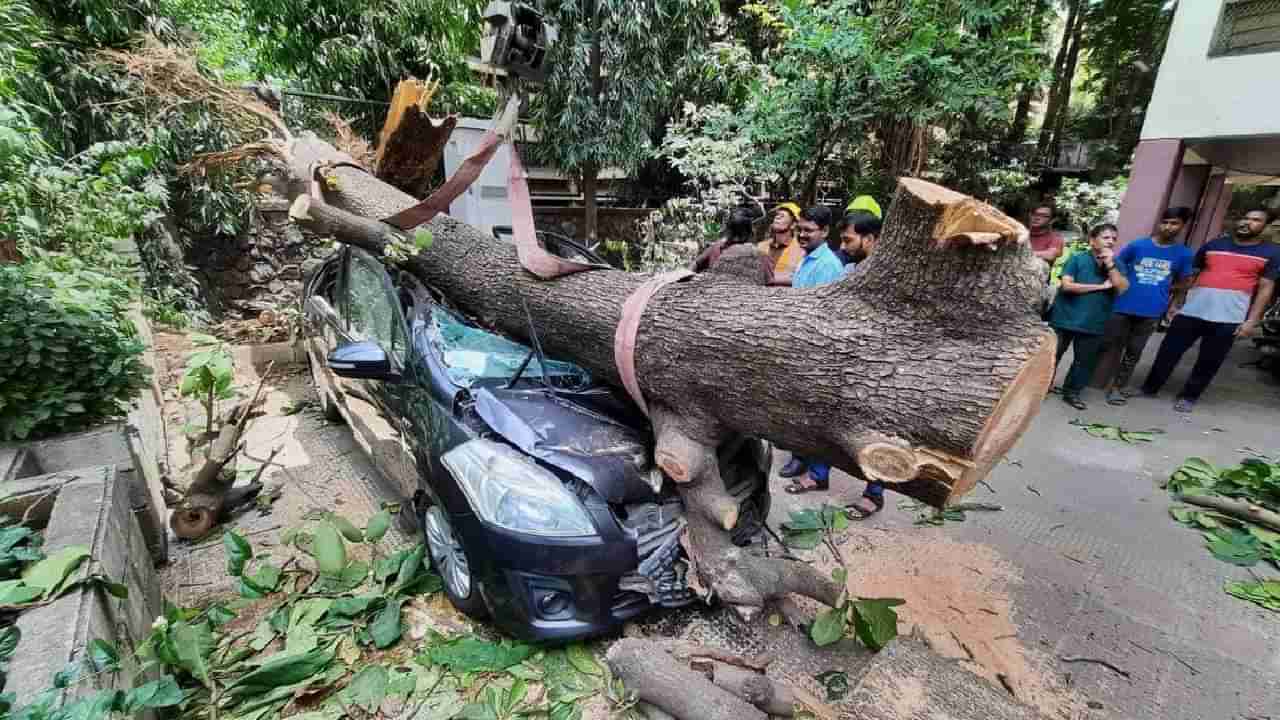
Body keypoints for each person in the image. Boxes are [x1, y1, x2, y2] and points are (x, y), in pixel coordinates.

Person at [1140, 209, 1280, 412]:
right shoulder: (1214, 245)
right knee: (1167, 352)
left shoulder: (1272, 253)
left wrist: (1251, 321)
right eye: (1245, 217)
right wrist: (1176, 302)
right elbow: (1191, 275)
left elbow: (1266, 288)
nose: (1247, 222)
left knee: (1209, 360)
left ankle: (1189, 396)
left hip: (1229, 316)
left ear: (1265, 227)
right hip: (1191, 311)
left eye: (1255, 220)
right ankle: (1149, 388)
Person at [1097, 207, 1195, 406]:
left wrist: (1170, 297)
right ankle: (1088, 381)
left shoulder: (1184, 254)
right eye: (1165, 222)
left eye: (1174, 223)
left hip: (1151, 311)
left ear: (1183, 226)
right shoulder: (1137, 246)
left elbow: (1185, 282)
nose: (1168, 227)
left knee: (1134, 351)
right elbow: (1114, 265)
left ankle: (1117, 387)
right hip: (1122, 305)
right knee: (1106, 344)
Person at [780, 206, 846, 496]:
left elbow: (825, 313)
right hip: (797, 345)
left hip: (815, 350)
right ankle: (800, 458)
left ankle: (818, 473)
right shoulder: (807, 259)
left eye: (808, 231)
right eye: (800, 229)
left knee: (817, 415)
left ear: (824, 232)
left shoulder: (828, 265)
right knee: (798, 411)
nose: (802, 235)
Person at [1049, 223, 1130, 410]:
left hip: (1094, 321)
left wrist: (1110, 265)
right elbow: (1067, 286)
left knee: (1083, 362)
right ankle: (1042, 387)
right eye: (1106, 237)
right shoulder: (1077, 259)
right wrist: (1100, 287)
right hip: (1065, 318)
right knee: (1052, 356)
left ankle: (1072, 392)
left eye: (1113, 239)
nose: (1110, 242)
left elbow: (1122, 288)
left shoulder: (1117, 265)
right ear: (1092, 240)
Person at [757, 203, 804, 281]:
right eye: (777, 215)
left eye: (782, 216)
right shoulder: (760, 246)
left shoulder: (801, 251)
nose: (777, 217)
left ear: (793, 225)